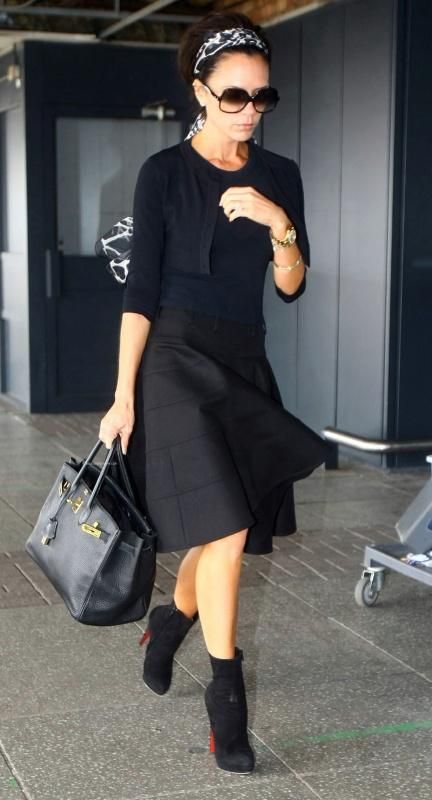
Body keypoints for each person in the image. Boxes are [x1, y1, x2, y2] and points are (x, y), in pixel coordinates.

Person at [99, 10, 330, 775]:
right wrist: (123, 396)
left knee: (221, 523)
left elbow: (291, 285)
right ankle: (227, 702)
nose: (250, 110)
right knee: (226, 529)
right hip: (173, 357)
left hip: (242, 358)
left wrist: (278, 223)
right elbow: (139, 295)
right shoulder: (164, 174)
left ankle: (171, 623)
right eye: (235, 95)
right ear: (199, 90)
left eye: (263, 96)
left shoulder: (279, 174)